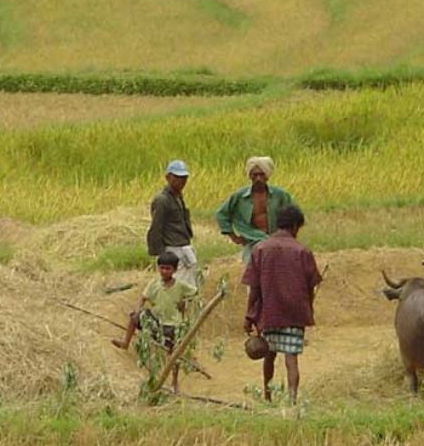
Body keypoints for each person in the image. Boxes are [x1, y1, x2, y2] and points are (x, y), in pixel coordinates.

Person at [242, 205, 322, 403]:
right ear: (294, 226)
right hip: (295, 314)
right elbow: (311, 285)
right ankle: (292, 399)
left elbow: (254, 287)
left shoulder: (260, 248)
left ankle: (268, 396)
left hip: (269, 313)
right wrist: (308, 309)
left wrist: (249, 316)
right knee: (291, 358)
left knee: (269, 357)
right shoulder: (302, 251)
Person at [112, 251, 197, 393]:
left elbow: (195, 294)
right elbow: (143, 298)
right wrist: (138, 309)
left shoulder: (181, 286)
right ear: (158, 268)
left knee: (174, 353)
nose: (164, 271)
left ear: (174, 270)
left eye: (168, 268)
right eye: (162, 268)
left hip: (173, 325)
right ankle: (125, 343)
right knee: (134, 317)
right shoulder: (154, 284)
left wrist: (185, 303)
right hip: (156, 321)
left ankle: (174, 382)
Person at [215, 156, 294, 264]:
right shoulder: (240, 196)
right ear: (249, 176)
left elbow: (294, 216)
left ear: (267, 175)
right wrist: (233, 236)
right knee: (252, 273)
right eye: (254, 175)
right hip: (252, 240)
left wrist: (288, 237)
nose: (258, 179)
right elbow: (221, 214)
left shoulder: (280, 195)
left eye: (261, 174)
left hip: (277, 241)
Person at [147, 160, 198, 286]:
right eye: (177, 177)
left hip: (184, 246)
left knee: (189, 286)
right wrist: (162, 255)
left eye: (184, 178)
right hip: (172, 249)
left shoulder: (178, 196)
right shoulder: (162, 200)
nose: (181, 181)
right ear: (168, 177)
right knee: (175, 287)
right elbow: (156, 228)